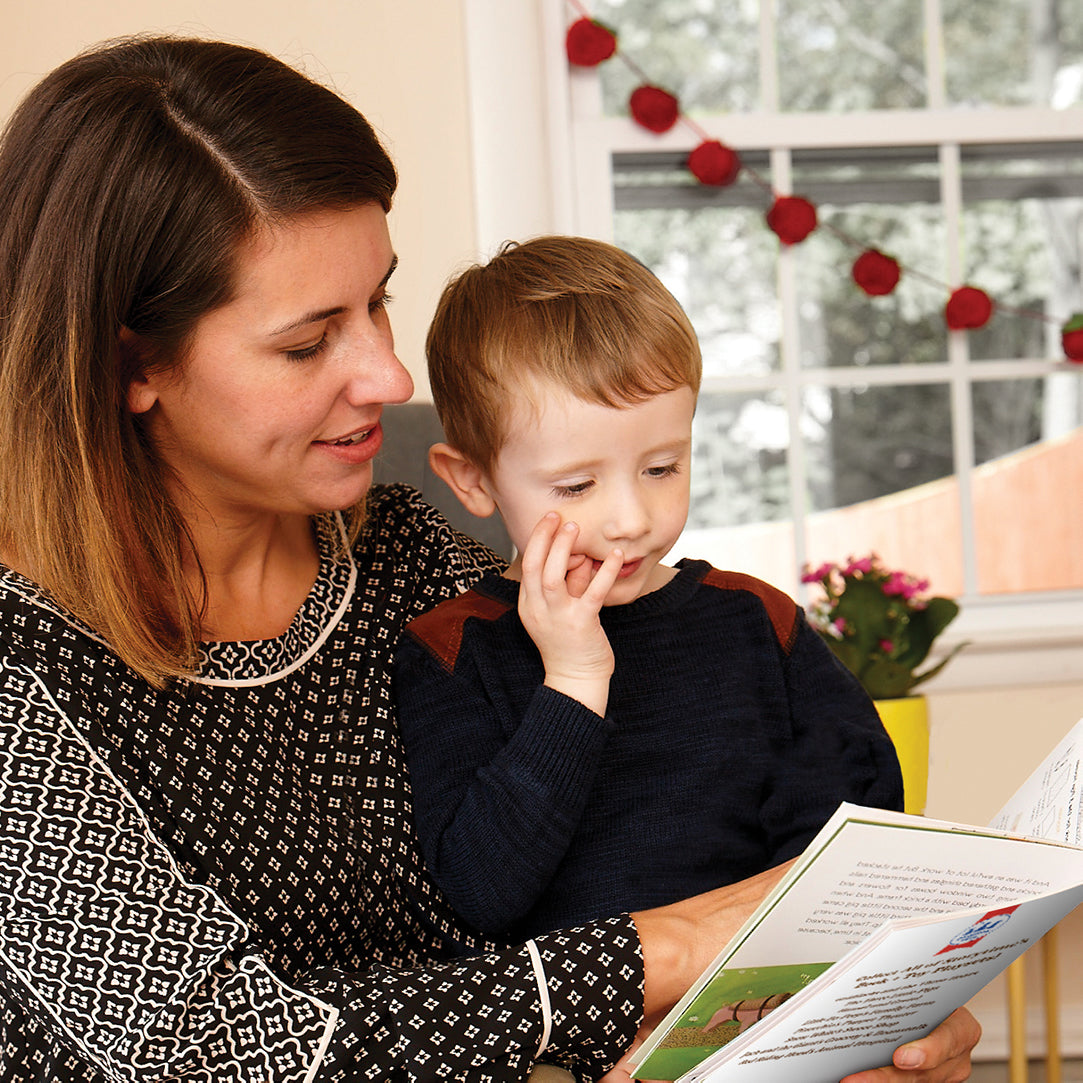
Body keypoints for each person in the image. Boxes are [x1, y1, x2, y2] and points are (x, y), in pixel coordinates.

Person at [0, 34, 979, 1083]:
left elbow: (600, 870)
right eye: (306, 341)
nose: (384, 372)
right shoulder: (22, 671)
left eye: (378, 299)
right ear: (130, 364)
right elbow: (212, 1054)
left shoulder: (420, 568)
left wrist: (843, 1021)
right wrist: (681, 947)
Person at [394, 235, 904, 944]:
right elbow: (481, 891)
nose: (631, 519)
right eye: (576, 485)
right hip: (569, 1040)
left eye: (662, 467)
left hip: (752, 1010)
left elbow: (854, 832)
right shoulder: (448, 651)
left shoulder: (756, 620)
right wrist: (573, 679)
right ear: (473, 480)